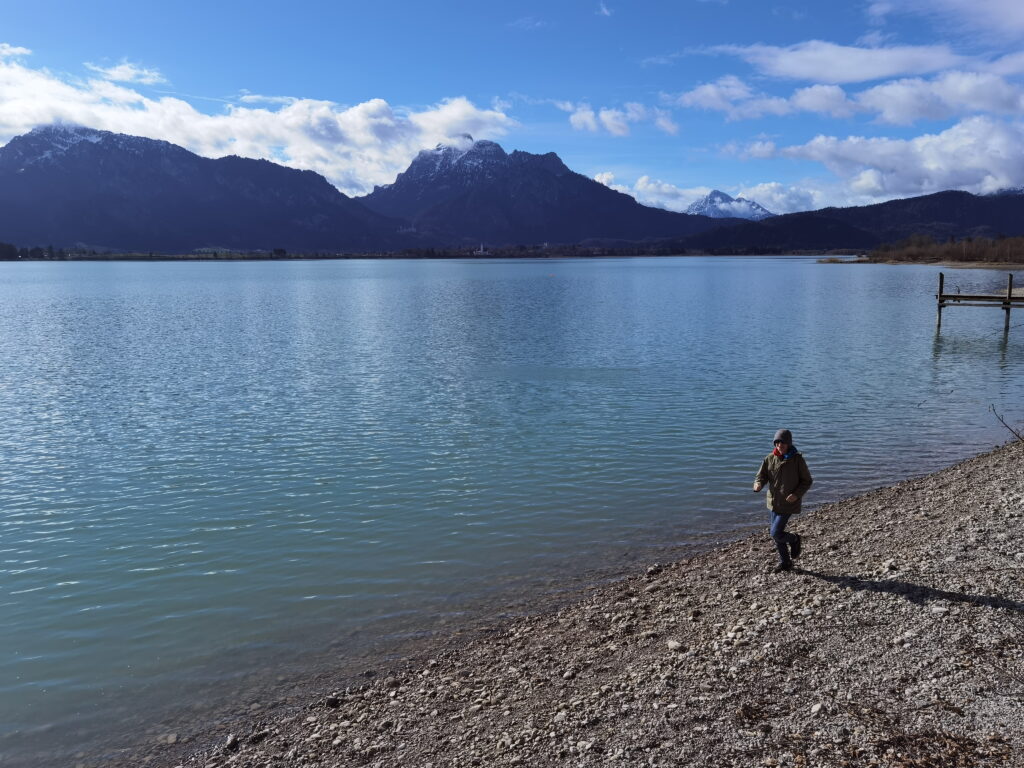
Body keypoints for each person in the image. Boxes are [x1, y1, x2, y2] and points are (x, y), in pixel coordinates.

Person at [753, 429, 813, 572]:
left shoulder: (797, 460)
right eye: (777, 442)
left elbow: (807, 481)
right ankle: (785, 563)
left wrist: (796, 495)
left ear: (789, 443)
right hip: (773, 502)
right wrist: (758, 483)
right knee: (777, 535)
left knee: (775, 533)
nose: (780, 445)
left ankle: (794, 539)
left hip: (789, 503)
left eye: (783, 442)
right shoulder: (769, 458)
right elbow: (761, 476)